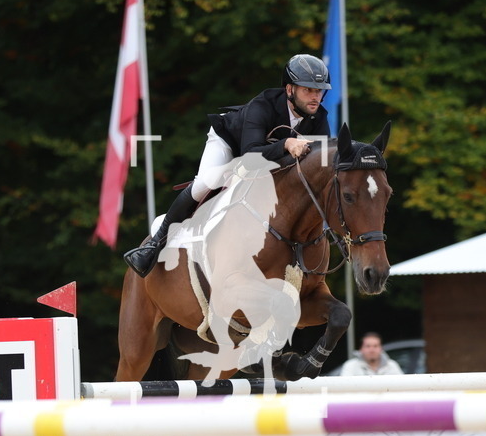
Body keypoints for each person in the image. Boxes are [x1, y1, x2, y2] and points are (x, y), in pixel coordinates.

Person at [123, 53, 332, 277]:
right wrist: (287, 143)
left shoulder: (318, 118)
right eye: (307, 90)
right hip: (230, 143)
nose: (315, 97)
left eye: (318, 91)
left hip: (269, 159)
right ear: (290, 89)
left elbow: (320, 168)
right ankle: (154, 245)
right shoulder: (263, 105)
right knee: (206, 182)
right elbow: (250, 154)